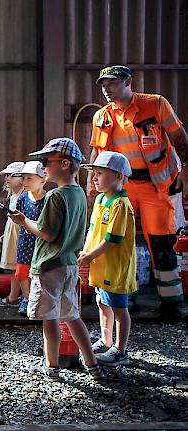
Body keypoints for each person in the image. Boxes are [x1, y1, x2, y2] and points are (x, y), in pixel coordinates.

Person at [87, 65, 188, 319]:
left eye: (111, 83)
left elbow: (179, 138)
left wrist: (185, 169)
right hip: (122, 188)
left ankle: (172, 302)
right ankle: (123, 300)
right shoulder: (102, 116)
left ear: (128, 81)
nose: (106, 89)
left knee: (162, 242)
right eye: (103, 85)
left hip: (157, 186)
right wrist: (91, 180)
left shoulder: (155, 104)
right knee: (121, 243)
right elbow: (97, 152)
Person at [10, 138, 103, 381]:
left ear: (63, 163)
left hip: (49, 265)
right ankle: (91, 364)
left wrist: (24, 222)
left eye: (45, 162)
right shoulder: (80, 195)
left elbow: (47, 233)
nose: (42, 167)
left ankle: (51, 366)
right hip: (70, 264)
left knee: (49, 319)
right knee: (72, 316)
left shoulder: (54, 197)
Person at [79, 151, 137, 367]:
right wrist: (86, 252)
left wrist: (90, 255)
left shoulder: (120, 204)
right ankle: (106, 339)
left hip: (115, 267)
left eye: (100, 173)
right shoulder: (101, 199)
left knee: (119, 308)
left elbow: (113, 239)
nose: (94, 178)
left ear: (118, 176)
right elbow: (94, 230)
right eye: (94, 173)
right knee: (102, 301)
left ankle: (121, 350)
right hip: (100, 265)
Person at [12, 161, 47, 316]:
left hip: (41, 243)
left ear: (43, 180)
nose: (24, 182)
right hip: (25, 241)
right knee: (21, 272)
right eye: (23, 178)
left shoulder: (48, 199)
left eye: (29, 178)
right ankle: (26, 298)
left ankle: (37, 300)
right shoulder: (22, 198)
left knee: (39, 273)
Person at [0, 162, 25, 308]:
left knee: (20, 267)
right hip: (12, 232)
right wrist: (5, 234)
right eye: (7, 175)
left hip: (20, 234)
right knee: (13, 267)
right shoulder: (14, 196)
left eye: (12, 175)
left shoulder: (24, 196)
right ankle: (14, 296)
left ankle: (23, 297)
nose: (8, 178)